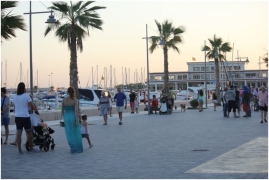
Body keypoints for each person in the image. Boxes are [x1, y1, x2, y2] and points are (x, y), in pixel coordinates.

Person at [13, 82, 38, 154]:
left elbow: (15, 105)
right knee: (29, 132)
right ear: (24, 88)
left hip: (17, 116)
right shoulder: (26, 96)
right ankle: (31, 147)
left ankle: (19, 150)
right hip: (25, 116)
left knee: (19, 133)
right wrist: (32, 109)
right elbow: (31, 105)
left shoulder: (14, 96)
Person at [61, 87, 83, 153]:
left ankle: (72, 147)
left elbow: (62, 110)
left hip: (66, 117)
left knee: (69, 133)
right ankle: (77, 147)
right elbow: (76, 111)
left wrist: (63, 118)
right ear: (73, 92)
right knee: (76, 133)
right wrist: (77, 119)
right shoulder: (75, 100)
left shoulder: (64, 99)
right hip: (73, 116)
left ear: (67, 92)